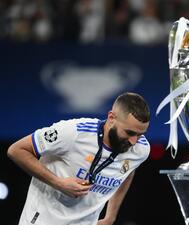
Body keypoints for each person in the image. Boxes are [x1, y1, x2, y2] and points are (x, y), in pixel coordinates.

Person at [7, 92, 150, 225]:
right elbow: (16, 150)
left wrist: (110, 216)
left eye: (140, 134)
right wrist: (59, 183)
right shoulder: (73, 132)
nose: (134, 141)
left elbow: (128, 170)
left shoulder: (140, 150)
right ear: (111, 118)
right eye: (129, 132)